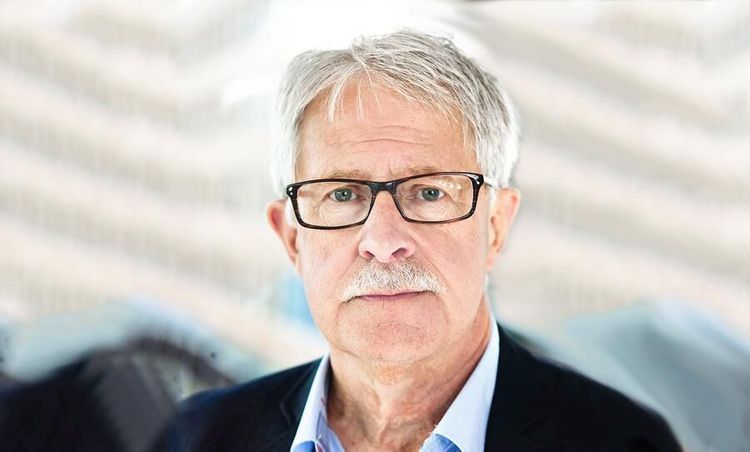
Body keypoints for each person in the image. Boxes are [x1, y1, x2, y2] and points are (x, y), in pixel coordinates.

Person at [165, 30, 681, 452]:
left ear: (496, 226)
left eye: (430, 192)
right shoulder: (194, 439)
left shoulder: (623, 442)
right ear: (292, 238)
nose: (383, 241)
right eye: (342, 194)